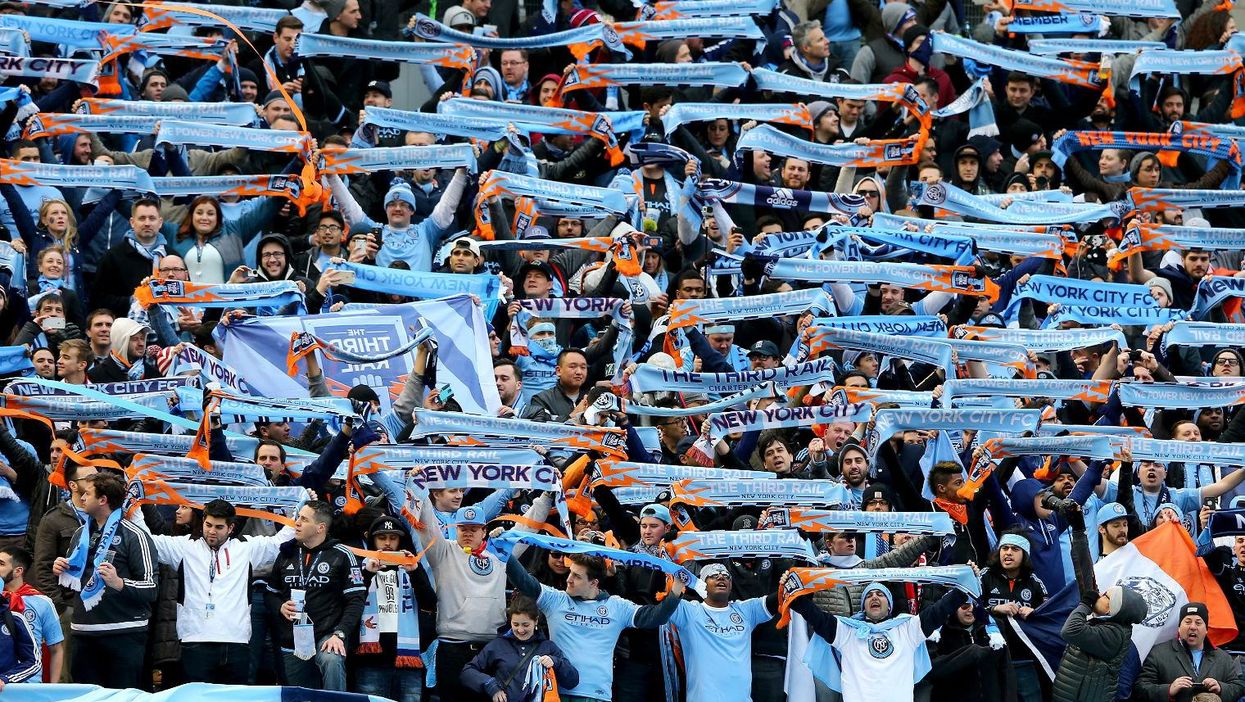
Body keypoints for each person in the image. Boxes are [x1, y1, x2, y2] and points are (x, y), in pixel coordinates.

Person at [134, 499, 296, 683]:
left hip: (237, 641)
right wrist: (134, 507)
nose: (211, 531)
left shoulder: (245, 547)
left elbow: (280, 542)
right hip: (194, 640)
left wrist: (300, 507)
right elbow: (145, 541)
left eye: (219, 527)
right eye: (208, 524)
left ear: (231, 527)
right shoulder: (184, 546)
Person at [505, 551, 684, 701]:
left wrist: (675, 592)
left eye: (577, 576)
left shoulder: (617, 606)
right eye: (570, 573)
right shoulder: (556, 600)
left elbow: (654, 617)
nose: (569, 579)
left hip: (596, 694)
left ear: (594, 583)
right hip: (555, 692)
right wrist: (506, 552)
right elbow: (523, 581)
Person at [51, 472, 157, 689]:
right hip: (83, 633)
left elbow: (152, 588)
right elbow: (74, 580)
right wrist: (61, 569)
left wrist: (120, 583)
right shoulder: (80, 534)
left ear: (103, 500)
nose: (81, 498)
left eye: (87, 494)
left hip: (124, 634)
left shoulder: (134, 535)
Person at [265, 500, 367, 691]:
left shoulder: (342, 554)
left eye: (304, 519)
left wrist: (340, 633)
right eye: (298, 517)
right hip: (293, 639)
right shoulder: (286, 553)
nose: (297, 523)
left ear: (320, 527)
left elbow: (356, 599)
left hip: (327, 635)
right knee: (299, 694)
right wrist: (280, 605)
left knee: (332, 659)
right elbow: (271, 594)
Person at [666, 562, 779, 702]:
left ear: (731, 585)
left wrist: (788, 581)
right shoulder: (688, 611)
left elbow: (777, 599)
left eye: (726, 576)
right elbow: (662, 606)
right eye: (713, 575)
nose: (721, 577)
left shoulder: (745, 610)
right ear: (701, 584)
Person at [461, 594, 580, 701]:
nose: (520, 630)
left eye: (526, 625)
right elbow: (467, 672)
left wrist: (556, 662)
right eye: (515, 624)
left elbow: (572, 681)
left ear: (536, 621)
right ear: (510, 621)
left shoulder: (548, 647)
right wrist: (491, 685)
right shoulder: (497, 645)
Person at [1136, 602, 1245, 702]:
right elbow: (1140, 688)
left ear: (1206, 629)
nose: (1192, 627)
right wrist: (1169, 690)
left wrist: (1220, 688)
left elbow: (1239, 687)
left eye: (1198, 623)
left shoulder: (1223, 658)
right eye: (1187, 622)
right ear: (1179, 627)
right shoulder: (1158, 653)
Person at [0, 546, 63, 682]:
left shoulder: (42, 602)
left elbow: (56, 649)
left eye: (1, 564)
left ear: (18, 571)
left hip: (30, 685)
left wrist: (53, 688)